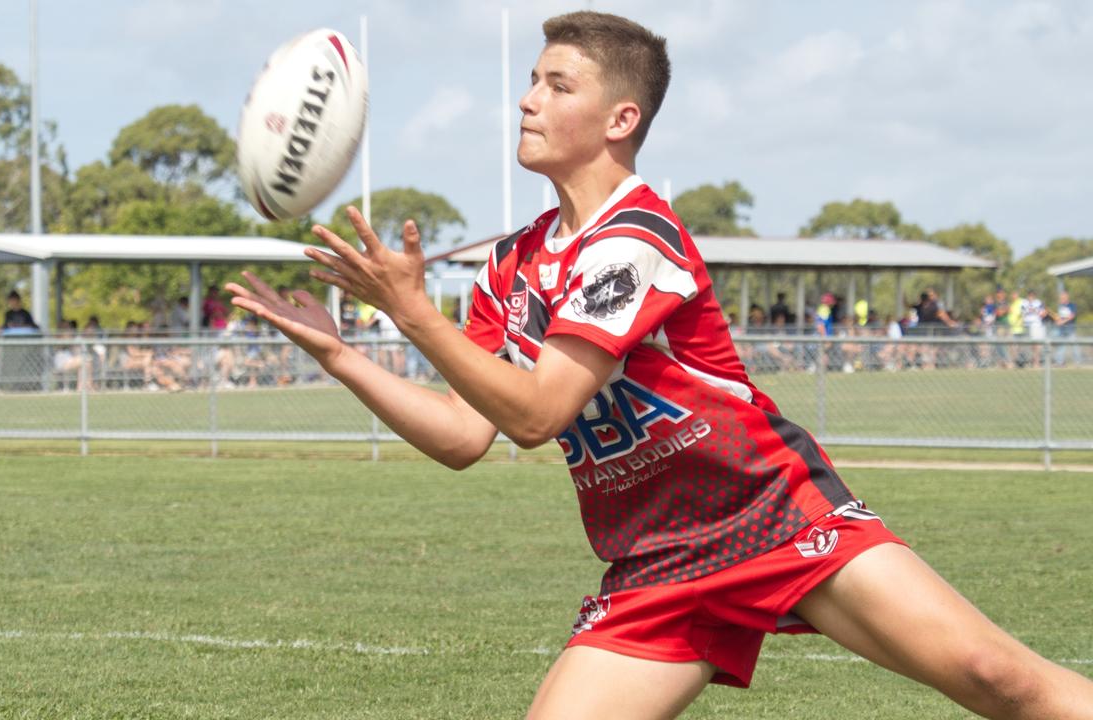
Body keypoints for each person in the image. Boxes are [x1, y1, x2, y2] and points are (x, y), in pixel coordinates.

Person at [227, 11, 1093, 718]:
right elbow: (465, 434)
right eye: (530, 80)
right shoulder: (511, 266)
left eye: (556, 84)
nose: (526, 100)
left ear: (620, 119)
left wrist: (411, 310)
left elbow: (539, 414)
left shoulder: (637, 237)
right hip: (654, 563)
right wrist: (343, 355)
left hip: (773, 517)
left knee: (1000, 680)